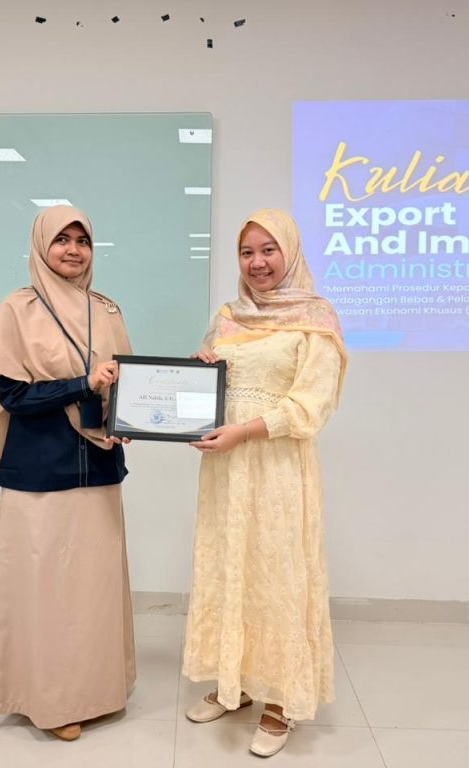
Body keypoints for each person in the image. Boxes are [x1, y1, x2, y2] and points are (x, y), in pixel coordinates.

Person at [182, 208, 347, 758]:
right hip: (225, 471)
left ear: (290, 253)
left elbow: (311, 405)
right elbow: (213, 386)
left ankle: (281, 701)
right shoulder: (229, 315)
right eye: (247, 252)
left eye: (268, 250)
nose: (257, 262)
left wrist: (245, 431)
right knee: (229, 568)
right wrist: (199, 369)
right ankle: (236, 684)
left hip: (277, 470)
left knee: (277, 576)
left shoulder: (316, 318)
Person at [0, 205, 135, 741]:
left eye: (82, 240)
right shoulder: (17, 308)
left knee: (93, 584)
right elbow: (13, 395)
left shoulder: (107, 309)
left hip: (98, 463)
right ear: (41, 246)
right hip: (41, 467)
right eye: (61, 240)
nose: (73, 250)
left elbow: (127, 385)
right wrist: (82, 384)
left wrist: (128, 420)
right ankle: (48, 701)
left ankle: (98, 691)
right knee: (44, 587)